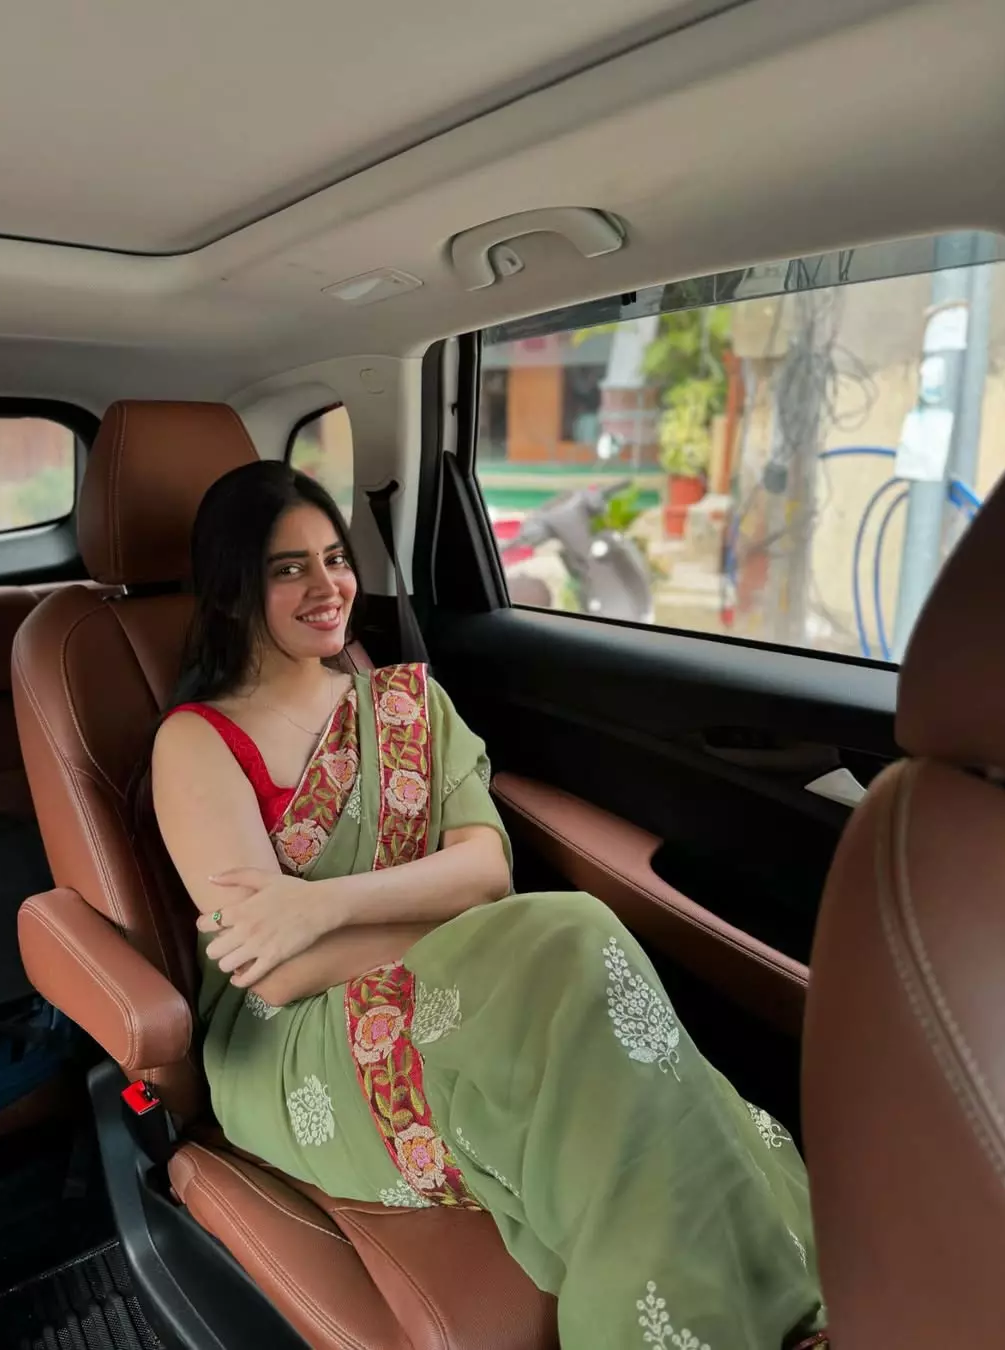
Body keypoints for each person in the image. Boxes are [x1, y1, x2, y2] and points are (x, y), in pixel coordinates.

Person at [151, 461, 829, 1350]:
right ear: (234, 589)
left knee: (594, 1002)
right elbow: (274, 970)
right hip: (298, 1042)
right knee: (574, 965)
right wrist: (441, 931)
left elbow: (484, 874)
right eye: (288, 569)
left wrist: (324, 905)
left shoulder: (407, 704)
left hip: (456, 973)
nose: (327, 586)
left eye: (335, 558)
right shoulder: (197, 743)